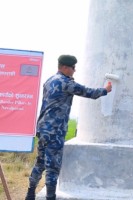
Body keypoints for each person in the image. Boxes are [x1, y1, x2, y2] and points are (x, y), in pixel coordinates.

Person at [25, 55, 112, 200]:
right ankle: (50, 197)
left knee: (40, 163)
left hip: (43, 129)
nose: (74, 70)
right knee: (52, 167)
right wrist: (105, 89)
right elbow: (89, 92)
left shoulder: (49, 81)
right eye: (73, 68)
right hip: (55, 131)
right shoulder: (66, 83)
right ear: (65, 67)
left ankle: (30, 193)